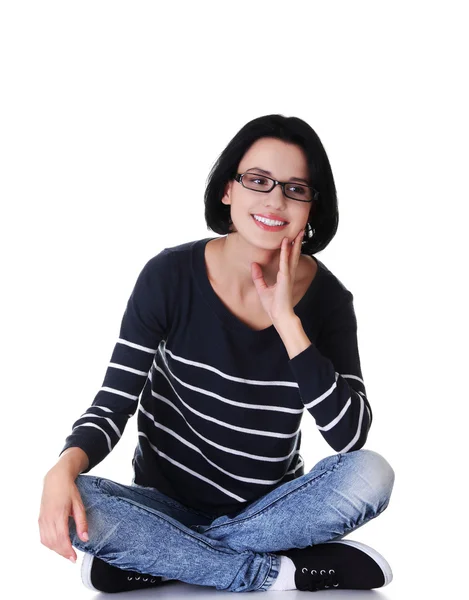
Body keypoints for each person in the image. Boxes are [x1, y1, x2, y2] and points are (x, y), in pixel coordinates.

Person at [38, 114, 395, 593]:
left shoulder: (329, 301)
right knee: (75, 495)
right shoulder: (168, 277)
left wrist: (288, 321)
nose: (274, 200)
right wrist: (61, 469)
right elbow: (113, 403)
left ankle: (165, 557)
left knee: (373, 473)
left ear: (312, 207)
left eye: (295, 188)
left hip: (273, 511)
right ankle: (272, 572)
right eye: (258, 181)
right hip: (163, 505)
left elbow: (349, 439)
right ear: (228, 190)